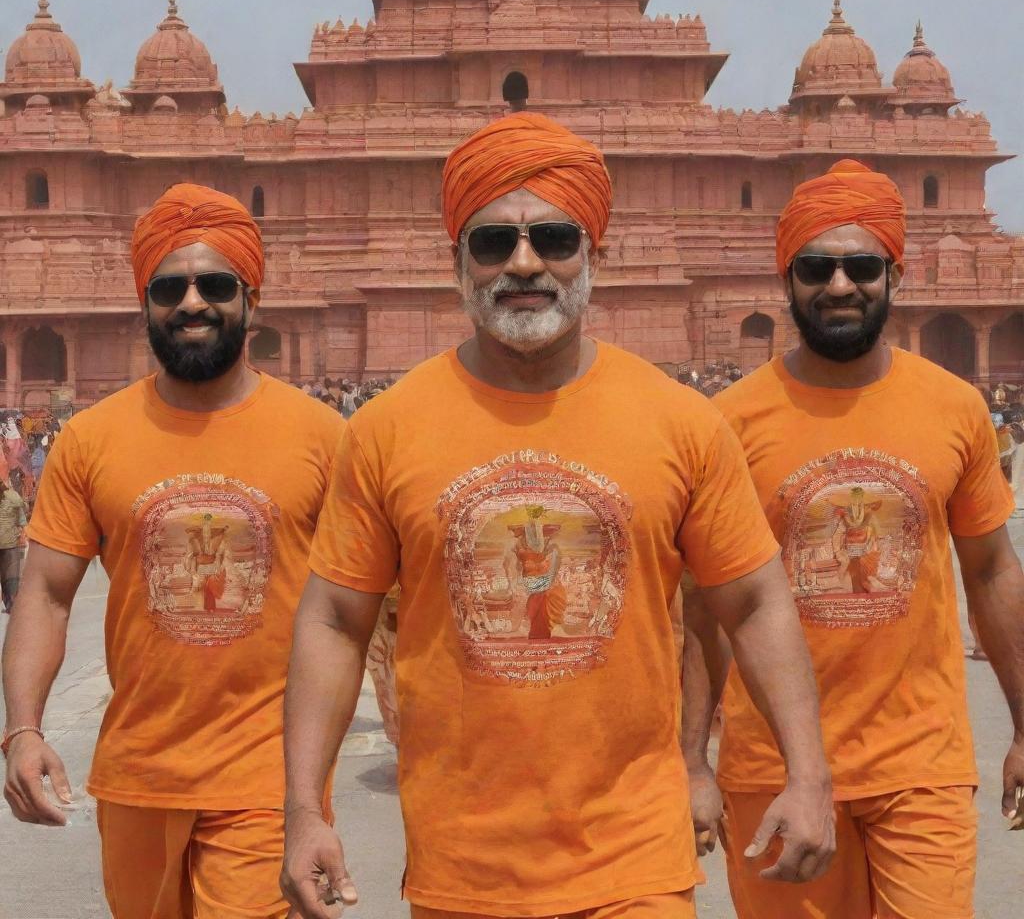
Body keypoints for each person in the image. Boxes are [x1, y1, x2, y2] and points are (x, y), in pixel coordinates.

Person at [280, 113, 835, 919]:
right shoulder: (387, 429)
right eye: (493, 243)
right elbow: (333, 618)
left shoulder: (681, 423)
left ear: (594, 253)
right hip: (463, 864)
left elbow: (752, 602)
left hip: (635, 858)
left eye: (554, 237)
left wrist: (807, 774)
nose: (525, 262)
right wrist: (304, 812)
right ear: (456, 263)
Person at [683, 160, 1024, 919]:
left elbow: (994, 570)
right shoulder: (730, 424)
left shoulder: (954, 408)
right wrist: (690, 761)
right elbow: (706, 608)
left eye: (862, 264)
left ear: (894, 272)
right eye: (816, 266)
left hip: (921, 764)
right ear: (787, 279)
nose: (840, 284)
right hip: (773, 768)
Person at [1, 184, 343, 919]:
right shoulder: (91, 439)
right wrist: (22, 727)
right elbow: (46, 594)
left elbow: (360, 608)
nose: (193, 302)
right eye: (170, 287)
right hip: (136, 774)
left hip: (268, 776)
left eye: (216, 284)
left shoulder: (322, 437)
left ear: (252, 296)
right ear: (144, 300)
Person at [0, 477, 27, 613]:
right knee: (6, 578)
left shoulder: (11, 498)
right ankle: (9, 605)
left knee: (10, 578)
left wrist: (23, 533)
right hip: (8, 544)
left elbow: (21, 512)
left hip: (10, 544)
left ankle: (12, 605)